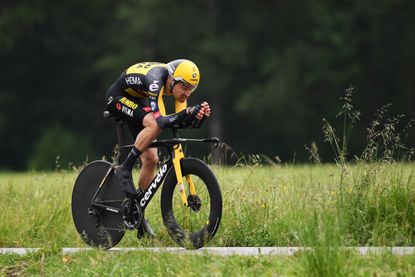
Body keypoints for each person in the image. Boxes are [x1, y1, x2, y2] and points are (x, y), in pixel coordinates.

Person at [106, 59, 211, 237]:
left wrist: (195, 114)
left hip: (138, 99)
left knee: (151, 160)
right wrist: (188, 112)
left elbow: (179, 120)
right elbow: (161, 121)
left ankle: (137, 212)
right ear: (172, 79)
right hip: (118, 97)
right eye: (184, 87)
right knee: (154, 124)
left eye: (192, 88)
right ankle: (125, 167)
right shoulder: (156, 81)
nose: (187, 93)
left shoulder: (178, 89)